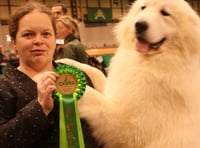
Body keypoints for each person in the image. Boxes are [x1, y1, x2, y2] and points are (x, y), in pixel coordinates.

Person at [0, 2, 101, 148]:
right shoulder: (4, 87)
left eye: (46, 34)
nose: (38, 41)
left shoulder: (78, 77)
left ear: (55, 39)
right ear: (14, 42)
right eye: (28, 34)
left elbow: (98, 129)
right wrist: (39, 108)